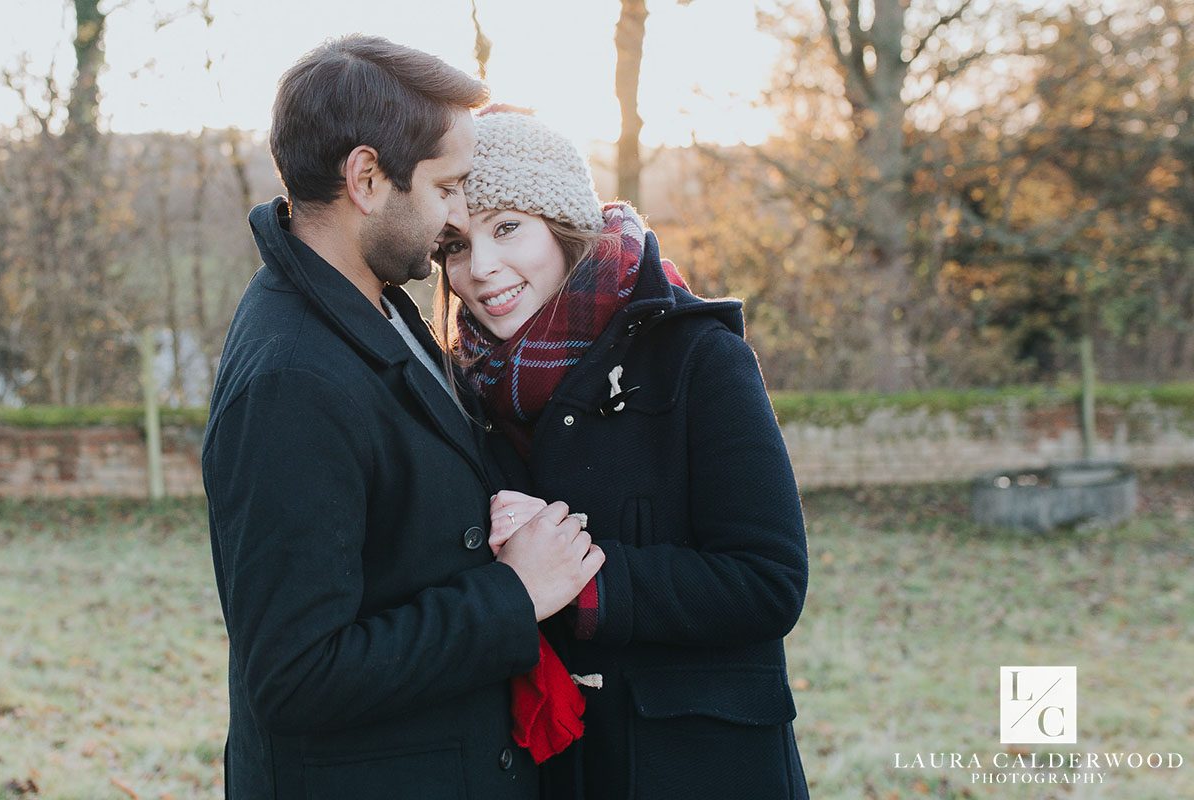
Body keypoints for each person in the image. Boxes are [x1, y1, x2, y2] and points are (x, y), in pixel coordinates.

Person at [201, 39, 602, 799]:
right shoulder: (291, 380)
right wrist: (511, 597)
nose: (457, 213)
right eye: (447, 187)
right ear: (366, 178)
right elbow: (295, 676)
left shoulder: (378, 302)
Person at [434, 108, 811, 799]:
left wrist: (581, 579)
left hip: (700, 769)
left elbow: (770, 580)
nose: (482, 268)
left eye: (507, 227)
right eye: (456, 245)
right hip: (549, 772)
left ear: (564, 225)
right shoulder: (461, 393)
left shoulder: (699, 359)